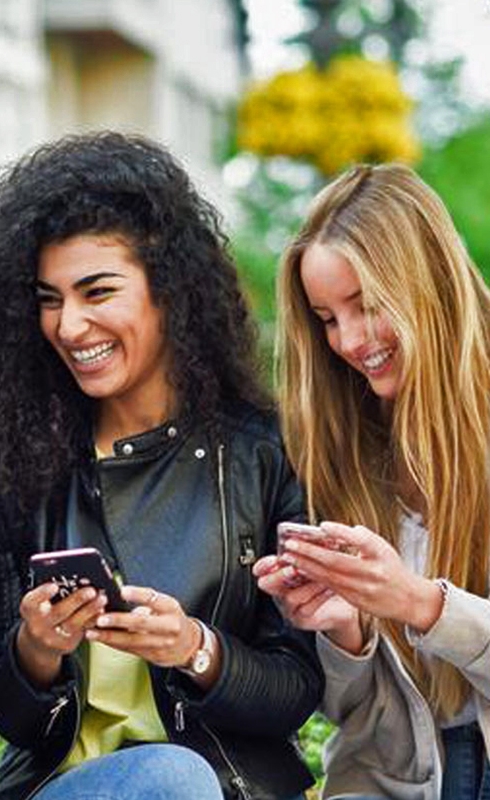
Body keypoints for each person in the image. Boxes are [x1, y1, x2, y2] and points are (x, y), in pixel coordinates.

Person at [0, 131, 323, 800]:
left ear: (168, 289)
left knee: (178, 777)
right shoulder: (10, 459)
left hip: (227, 787)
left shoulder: (266, 451)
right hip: (66, 786)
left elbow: (294, 689)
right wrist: (38, 648)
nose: (69, 325)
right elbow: (14, 717)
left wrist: (195, 648)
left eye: (97, 292)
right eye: (49, 299)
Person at [253, 163, 490, 800]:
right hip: (396, 777)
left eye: (369, 306)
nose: (351, 342)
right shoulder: (336, 446)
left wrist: (419, 604)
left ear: (428, 283)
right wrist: (343, 629)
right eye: (327, 318)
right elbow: (354, 713)